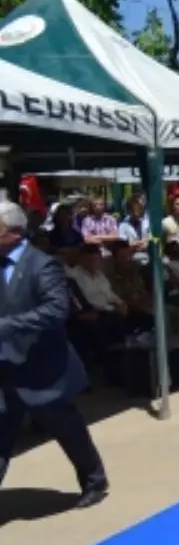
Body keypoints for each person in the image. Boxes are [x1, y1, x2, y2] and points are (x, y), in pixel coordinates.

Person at [0, 201, 109, 508]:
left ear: (13, 233)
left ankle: (94, 479)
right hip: (5, 366)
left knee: (65, 427)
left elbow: (54, 311)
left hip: (42, 367)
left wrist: (7, 326)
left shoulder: (42, 264)